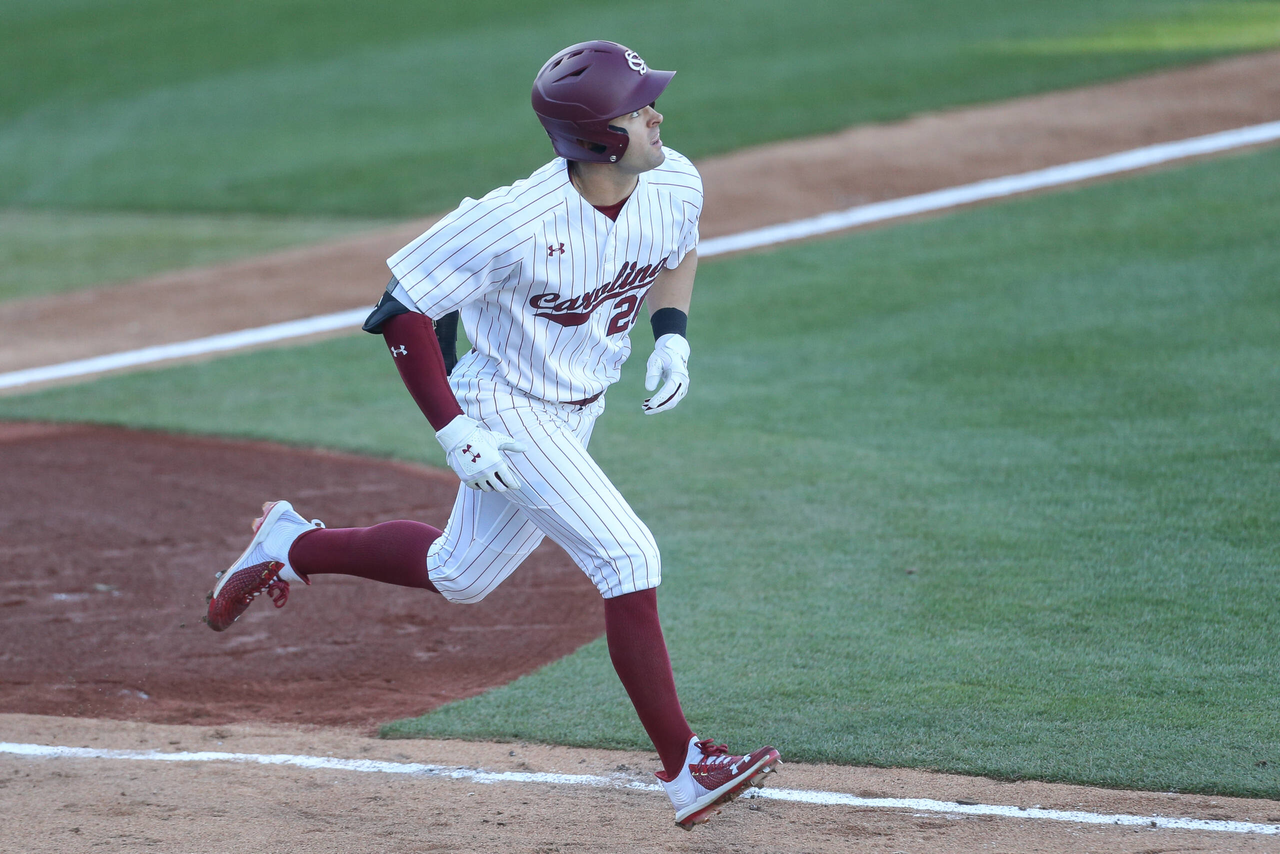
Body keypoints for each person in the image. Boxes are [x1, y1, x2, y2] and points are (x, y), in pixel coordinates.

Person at [204, 40, 779, 828]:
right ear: (597, 137)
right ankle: (686, 767)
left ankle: (289, 543)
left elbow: (679, 247)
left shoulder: (673, 179)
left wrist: (672, 336)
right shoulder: (512, 220)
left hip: (578, 408)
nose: (656, 115)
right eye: (637, 108)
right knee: (627, 556)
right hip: (506, 406)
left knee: (461, 572)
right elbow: (402, 310)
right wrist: (454, 430)